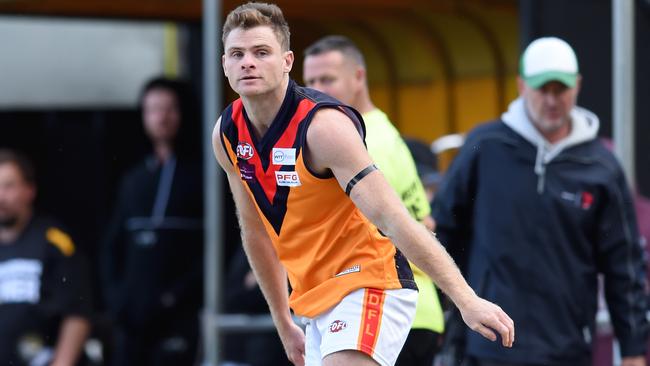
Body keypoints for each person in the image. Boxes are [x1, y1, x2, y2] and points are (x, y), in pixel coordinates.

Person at [213, 3, 514, 366]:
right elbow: (255, 232)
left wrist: (466, 299)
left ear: (287, 61)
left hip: (370, 281)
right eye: (237, 54)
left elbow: (393, 217)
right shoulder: (227, 134)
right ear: (225, 64)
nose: (248, 62)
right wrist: (282, 321)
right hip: (314, 296)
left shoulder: (323, 128)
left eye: (261, 52)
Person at [432, 37, 649, 366]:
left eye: (559, 89)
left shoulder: (601, 167)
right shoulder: (485, 146)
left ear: (577, 86)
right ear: (521, 86)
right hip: (487, 346)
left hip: (567, 349)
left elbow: (625, 266)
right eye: (541, 89)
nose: (551, 99)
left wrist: (633, 351)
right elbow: (442, 232)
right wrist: (444, 313)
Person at [302, 35, 444, 366]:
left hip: (386, 306)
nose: (314, 90)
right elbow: (426, 221)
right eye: (309, 81)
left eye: (327, 79)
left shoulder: (353, 140)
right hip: (412, 310)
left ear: (359, 77)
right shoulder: (382, 130)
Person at [100, 77, 203, 366]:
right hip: (132, 316)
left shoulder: (203, 174)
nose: (162, 117)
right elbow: (112, 243)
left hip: (179, 313)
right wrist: (117, 298)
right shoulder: (133, 178)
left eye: (170, 109)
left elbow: (217, 245)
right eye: (153, 109)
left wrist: (176, 296)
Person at [0, 149, 92, 366]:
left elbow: (77, 313)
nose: (1, 196)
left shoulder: (55, 242)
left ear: (29, 190)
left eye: (9, 186)